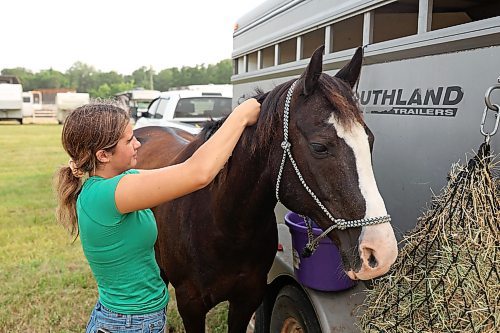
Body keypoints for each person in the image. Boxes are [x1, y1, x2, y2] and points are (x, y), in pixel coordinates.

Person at [54, 98, 261, 333]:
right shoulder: (108, 195)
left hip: (133, 320)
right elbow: (198, 173)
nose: (138, 145)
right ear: (103, 155)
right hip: (128, 326)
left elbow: (179, 174)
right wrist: (241, 116)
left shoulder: (117, 183)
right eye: (129, 140)